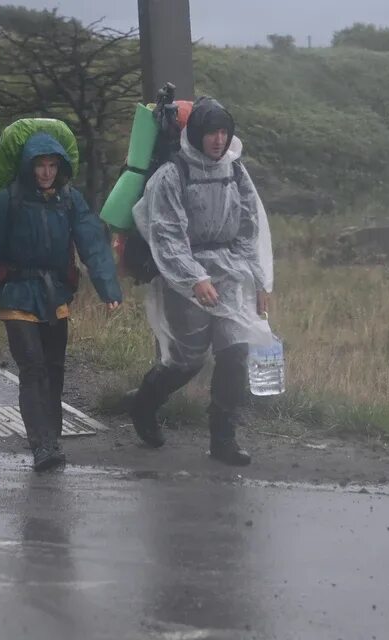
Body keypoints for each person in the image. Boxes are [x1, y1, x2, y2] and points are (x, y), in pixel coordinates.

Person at [0, 132, 123, 472]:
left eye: (52, 166)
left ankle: (52, 436)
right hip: (17, 292)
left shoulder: (69, 199)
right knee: (32, 367)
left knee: (53, 368)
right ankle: (42, 445)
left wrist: (109, 289)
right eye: (40, 166)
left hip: (55, 296)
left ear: (60, 168)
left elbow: (92, 242)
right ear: (29, 167)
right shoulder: (10, 200)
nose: (46, 173)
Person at [129, 97, 272, 466]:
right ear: (196, 134)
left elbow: (249, 227)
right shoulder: (172, 175)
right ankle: (143, 404)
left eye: (225, 132)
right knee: (187, 360)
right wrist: (194, 279)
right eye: (211, 132)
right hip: (185, 277)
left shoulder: (235, 171)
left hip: (230, 272)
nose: (219, 140)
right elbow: (167, 234)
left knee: (234, 352)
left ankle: (223, 440)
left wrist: (259, 281)